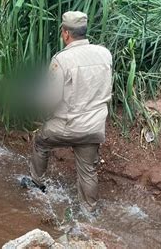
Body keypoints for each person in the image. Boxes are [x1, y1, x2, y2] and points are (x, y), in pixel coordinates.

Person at [27, 11, 113, 214]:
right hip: (94, 127)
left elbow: (51, 98)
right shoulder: (104, 54)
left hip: (68, 125)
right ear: (84, 31)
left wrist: (33, 98)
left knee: (40, 142)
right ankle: (89, 212)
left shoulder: (62, 59)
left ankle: (37, 185)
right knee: (88, 170)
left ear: (66, 33)